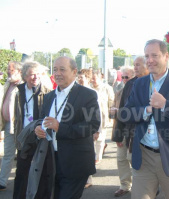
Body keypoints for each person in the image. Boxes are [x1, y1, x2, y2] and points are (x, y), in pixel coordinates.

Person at [120, 39, 169, 199]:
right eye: (147, 56)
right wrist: (146, 110)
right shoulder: (139, 83)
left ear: (166, 56)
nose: (150, 60)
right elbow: (125, 114)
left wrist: (165, 105)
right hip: (143, 155)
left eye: (155, 55)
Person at [33, 56, 100, 199]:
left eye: (62, 69)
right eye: (55, 69)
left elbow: (92, 125)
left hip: (75, 163)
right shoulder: (49, 97)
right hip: (50, 160)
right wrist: (38, 129)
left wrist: (60, 128)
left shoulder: (87, 95)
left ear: (74, 71)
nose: (57, 73)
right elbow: (42, 120)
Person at [13, 61, 52, 199]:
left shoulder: (47, 92)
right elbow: (17, 116)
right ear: (24, 77)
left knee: (40, 170)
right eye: (31, 75)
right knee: (22, 170)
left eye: (38, 74)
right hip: (24, 136)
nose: (35, 77)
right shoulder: (19, 91)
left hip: (40, 137)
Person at [111, 56, 149, 197]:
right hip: (126, 130)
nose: (135, 68)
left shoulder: (153, 83)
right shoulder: (130, 84)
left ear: (147, 66)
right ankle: (125, 185)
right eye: (134, 65)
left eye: (138, 65)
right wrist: (118, 135)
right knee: (121, 159)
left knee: (136, 161)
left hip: (141, 132)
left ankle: (146, 187)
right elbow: (123, 110)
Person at [0, 61, 23, 191]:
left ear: (19, 71)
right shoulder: (8, 84)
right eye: (8, 69)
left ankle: (23, 180)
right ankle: (2, 181)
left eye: (11, 70)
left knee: (23, 154)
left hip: (20, 125)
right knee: (8, 154)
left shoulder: (23, 86)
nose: (9, 72)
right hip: (9, 124)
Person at [91, 71, 114, 164]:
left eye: (95, 78)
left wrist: (111, 117)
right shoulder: (89, 88)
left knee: (100, 137)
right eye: (91, 78)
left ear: (100, 78)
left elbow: (111, 101)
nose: (93, 80)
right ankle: (92, 156)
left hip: (103, 116)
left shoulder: (107, 88)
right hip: (91, 116)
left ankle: (98, 158)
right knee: (92, 138)